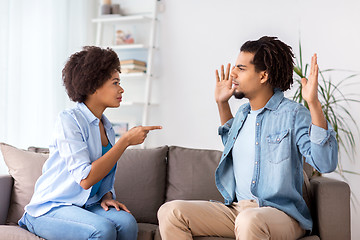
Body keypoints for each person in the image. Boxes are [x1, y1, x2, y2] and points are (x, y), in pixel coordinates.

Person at [157, 36, 338, 240]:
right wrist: (221, 103)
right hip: (238, 211)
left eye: (241, 69)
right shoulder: (243, 113)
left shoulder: (293, 114)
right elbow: (233, 147)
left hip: (282, 214)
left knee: (249, 220)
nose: (233, 73)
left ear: (263, 76)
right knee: (171, 212)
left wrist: (313, 103)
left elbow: (325, 163)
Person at [18, 46, 162, 240]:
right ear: (93, 86)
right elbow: (85, 179)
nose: (121, 89)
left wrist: (107, 196)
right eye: (115, 83)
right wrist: (125, 141)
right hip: (51, 207)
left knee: (127, 223)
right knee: (102, 230)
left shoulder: (106, 126)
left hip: (86, 206)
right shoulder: (69, 120)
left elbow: (104, 177)